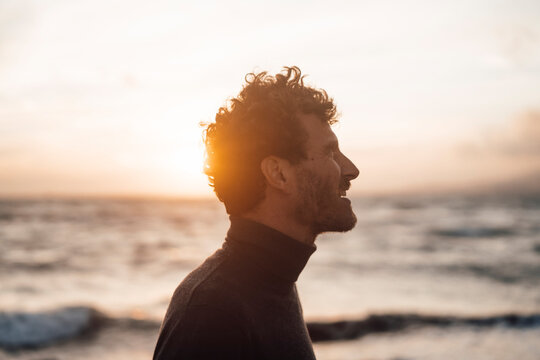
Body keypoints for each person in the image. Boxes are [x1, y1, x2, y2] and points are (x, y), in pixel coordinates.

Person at [153, 66, 359, 360]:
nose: (351, 169)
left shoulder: (271, 282)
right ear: (278, 173)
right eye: (329, 153)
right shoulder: (212, 312)